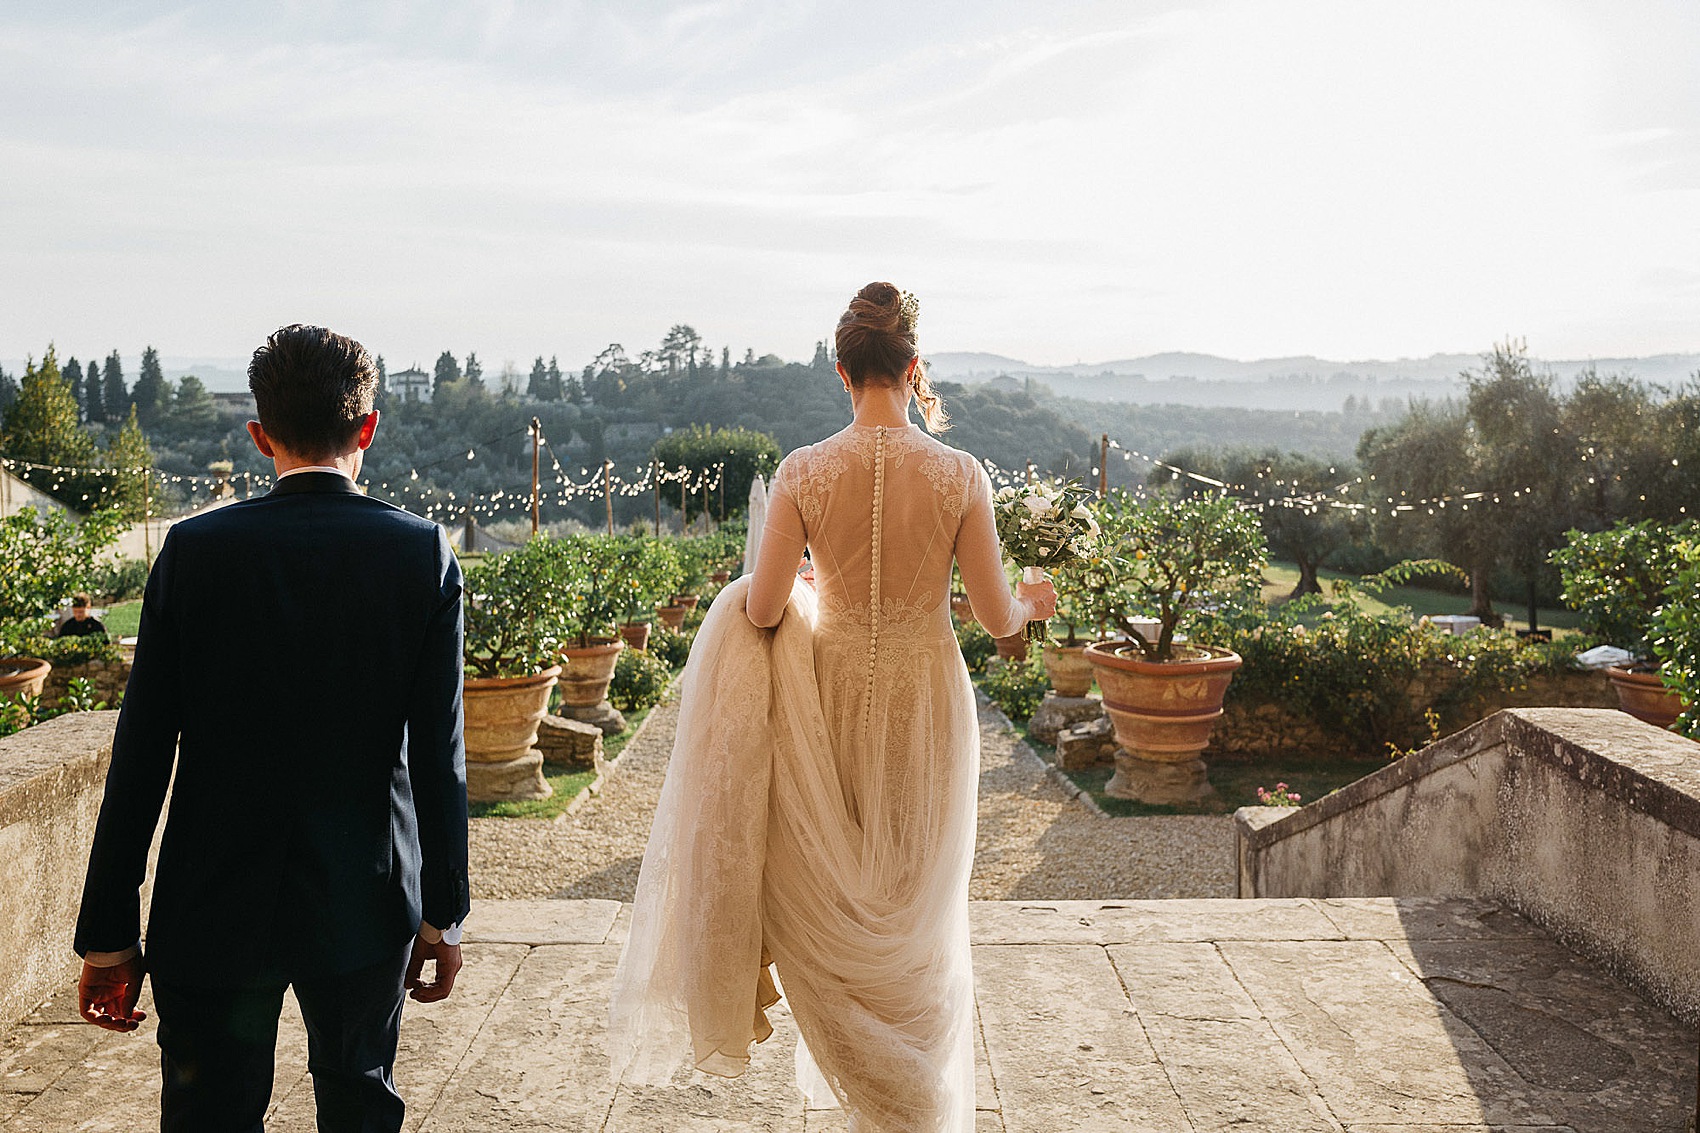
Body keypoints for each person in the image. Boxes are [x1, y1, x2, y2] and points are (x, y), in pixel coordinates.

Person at [610, 283, 1054, 1130]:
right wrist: (1037, 600)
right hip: (929, 699)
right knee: (919, 911)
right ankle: (918, 1104)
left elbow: (766, 609)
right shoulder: (960, 473)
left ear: (843, 372)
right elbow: (998, 619)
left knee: (840, 888)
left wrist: (819, 587)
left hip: (832, 695)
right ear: (914, 368)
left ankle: (880, 1100)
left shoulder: (804, 470)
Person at [72, 325, 470, 1133]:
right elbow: (440, 757)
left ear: (259, 436)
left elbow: (141, 753)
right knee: (360, 1106)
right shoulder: (421, 554)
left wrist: (108, 932)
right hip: (365, 902)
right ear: (368, 429)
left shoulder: (193, 552)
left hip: (210, 904)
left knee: (208, 1115)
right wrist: (443, 910)